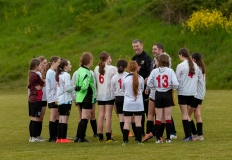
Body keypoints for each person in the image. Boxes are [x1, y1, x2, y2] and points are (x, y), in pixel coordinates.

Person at [143, 43, 177, 142]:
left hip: (157, 93)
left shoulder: (154, 71)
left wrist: (155, 86)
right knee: (167, 117)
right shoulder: (170, 71)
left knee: (157, 117)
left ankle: (157, 138)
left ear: (159, 61)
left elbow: (149, 83)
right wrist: (169, 86)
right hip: (167, 93)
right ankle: (168, 138)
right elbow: (175, 84)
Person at [176, 48, 201, 141]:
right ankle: (193, 134)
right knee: (187, 114)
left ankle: (187, 136)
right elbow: (198, 78)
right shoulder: (195, 66)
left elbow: (177, 79)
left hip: (183, 93)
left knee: (184, 114)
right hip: (192, 93)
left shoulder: (180, 66)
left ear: (181, 55)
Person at [94, 51, 117, 142]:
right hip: (109, 94)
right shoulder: (112, 68)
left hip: (100, 94)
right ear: (107, 58)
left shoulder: (96, 68)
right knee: (108, 115)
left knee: (100, 115)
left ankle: (100, 135)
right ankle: (108, 135)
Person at [131, 39, 152, 136]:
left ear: (142, 46)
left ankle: (151, 132)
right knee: (139, 111)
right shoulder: (133, 58)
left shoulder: (147, 58)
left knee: (148, 111)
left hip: (145, 90)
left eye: (137, 46)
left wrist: (146, 80)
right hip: (136, 89)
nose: (135, 48)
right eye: (134, 46)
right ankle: (141, 131)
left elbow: (150, 72)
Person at [122, 61, 144, 145]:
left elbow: (123, 90)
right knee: (138, 122)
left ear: (129, 68)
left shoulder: (125, 78)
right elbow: (141, 89)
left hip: (127, 103)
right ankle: (139, 140)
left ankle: (125, 141)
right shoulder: (140, 78)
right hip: (138, 102)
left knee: (127, 122)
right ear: (137, 68)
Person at [72, 69, 98, 141]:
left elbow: (93, 86)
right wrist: (74, 98)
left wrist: (95, 96)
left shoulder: (91, 72)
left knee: (91, 115)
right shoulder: (77, 73)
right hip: (83, 97)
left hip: (91, 97)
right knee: (83, 116)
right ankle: (80, 136)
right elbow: (75, 85)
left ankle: (95, 133)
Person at [75, 52, 95, 142]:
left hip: (79, 97)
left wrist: (78, 88)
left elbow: (76, 84)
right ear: (89, 60)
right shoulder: (87, 72)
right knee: (85, 117)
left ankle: (78, 136)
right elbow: (85, 86)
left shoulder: (78, 70)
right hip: (86, 96)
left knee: (82, 117)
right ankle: (81, 138)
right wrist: (81, 88)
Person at [189, 52, 206, 141]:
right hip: (201, 94)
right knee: (197, 114)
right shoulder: (202, 68)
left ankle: (195, 134)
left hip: (196, 95)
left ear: (194, 59)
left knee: (187, 114)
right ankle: (200, 135)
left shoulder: (196, 68)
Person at [55, 59, 73, 143]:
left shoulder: (59, 75)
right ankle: (63, 138)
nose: (71, 66)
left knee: (61, 119)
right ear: (65, 66)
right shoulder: (66, 75)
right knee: (64, 119)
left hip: (60, 99)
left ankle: (59, 138)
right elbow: (68, 88)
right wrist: (74, 87)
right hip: (66, 100)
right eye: (69, 64)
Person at [28, 58, 45, 142]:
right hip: (36, 99)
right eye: (40, 65)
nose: (41, 66)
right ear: (36, 66)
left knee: (33, 118)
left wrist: (40, 86)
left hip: (32, 99)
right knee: (35, 118)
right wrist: (41, 86)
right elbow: (43, 83)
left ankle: (32, 137)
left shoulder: (31, 74)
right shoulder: (35, 75)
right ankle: (34, 137)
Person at [45, 56, 61, 142]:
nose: (59, 64)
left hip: (55, 97)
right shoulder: (51, 72)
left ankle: (57, 135)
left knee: (57, 116)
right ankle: (52, 137)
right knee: (53, 116)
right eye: (58, 62)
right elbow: (55, 85)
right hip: (53, 97)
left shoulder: (52, 72)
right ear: (53, 62)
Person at [111, 59, 128, 135]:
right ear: (126, 67)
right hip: (126, 97)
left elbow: (112, 89)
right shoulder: (127, 75)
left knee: (121, 118)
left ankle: (124, 136)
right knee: (130, 117)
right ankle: (135, 135)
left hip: (118, 98)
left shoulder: (114, 77)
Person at [36, 56, 47, 141]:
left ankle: (38, 135)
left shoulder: (44, 73)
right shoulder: (37, 74)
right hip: (38, 98)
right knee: (37, 117)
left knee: (41, 117)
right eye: (44, 63)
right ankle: (35, 135)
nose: (46, 65)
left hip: (44, 97)